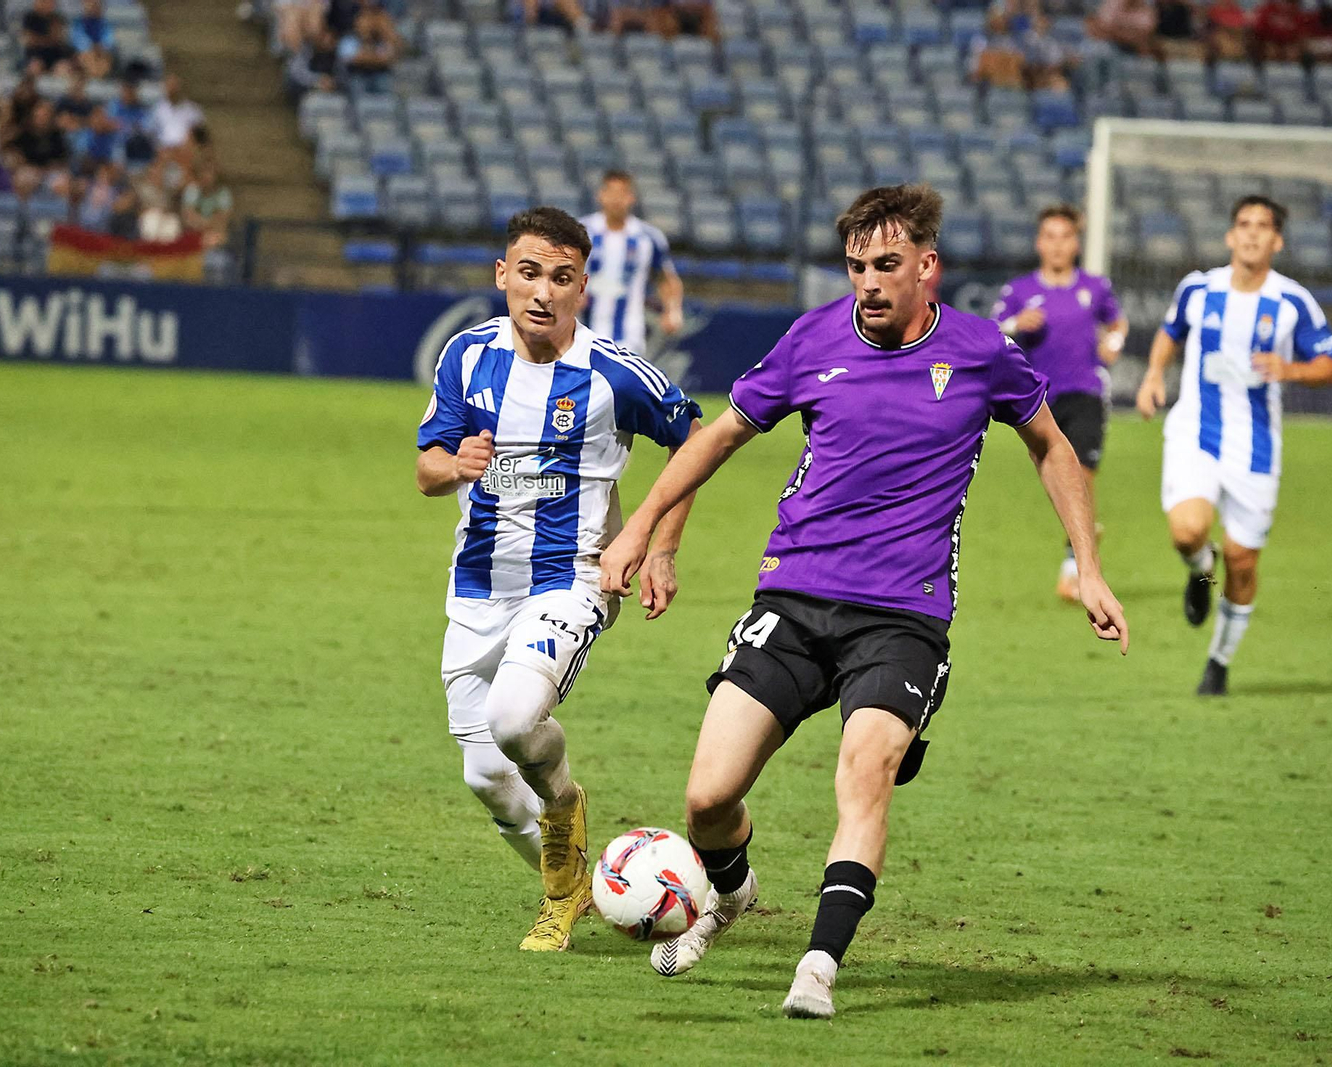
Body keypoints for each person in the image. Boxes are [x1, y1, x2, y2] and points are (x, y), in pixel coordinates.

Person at [599, 184, 1128, 1019]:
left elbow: (1051, 445)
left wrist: (1088, 565)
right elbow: (719, 436)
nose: (869, 283)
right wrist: (643, 535)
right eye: (856, 267)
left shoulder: (980, 350)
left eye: (886, 265)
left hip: (904, 616)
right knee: (707, 797)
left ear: (928, 267)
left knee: (866, 770)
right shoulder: (812, 339)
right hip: (795, 597)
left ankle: (818, 965)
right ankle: (732, 896)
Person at [415, 207, 703, 952]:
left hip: (571, 577)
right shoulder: (467, 355)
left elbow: (694, 438)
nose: (543, 292)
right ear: (503, 275)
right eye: (530, 272)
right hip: (478, 585)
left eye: (562, 277)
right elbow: (426, 469)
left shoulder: (613, 372)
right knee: (484, 775)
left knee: (515, 719)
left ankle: (565, 808)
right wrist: (457, 467)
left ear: (582, 286)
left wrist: (659, 544)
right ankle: (572, 880)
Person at [1135, 196, 1332, 696]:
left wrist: (1290, 368)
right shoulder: (1199, 288)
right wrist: (1154, 374)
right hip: (1196, 433)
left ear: (1277, 241)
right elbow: (1169, 332)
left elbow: (1330, 365)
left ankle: (1219, 662)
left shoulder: (1293, 302)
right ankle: (1201, 570)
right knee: (1187, 533)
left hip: (1256, 448)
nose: (1251, 234)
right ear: (1230, 236)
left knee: (1243, 560)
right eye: (1243, 225)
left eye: (1263, 227)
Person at [992, 204, 1129, 601]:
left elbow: (1117, 322)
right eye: (1049, 236)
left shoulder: (1095, 287)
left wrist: (1114, 342)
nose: (1057, 245)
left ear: (1076, 243)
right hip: (1038, 398)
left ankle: (1073, 566)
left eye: (1064, 236)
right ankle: (1081, 536)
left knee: (1083, 473)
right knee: (1056, 478)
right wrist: (1018, 325)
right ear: (1039, 243)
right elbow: (992, 330)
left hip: (1085, 391)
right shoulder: (1019, 291)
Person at [578, 170, 685, 359]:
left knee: (621, 385)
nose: (616, 199)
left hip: (629, 331)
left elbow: (666, 279)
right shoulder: (582, 231)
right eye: (611, 192)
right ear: (600, 195)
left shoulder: (648, 237)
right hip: (582, 327)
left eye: (622, 194)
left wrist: (672, 310)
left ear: (631, 198)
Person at [181, 165, 233, 248]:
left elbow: (223, 217)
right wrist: (203, 225)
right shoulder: (192, 189)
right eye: (204, 175)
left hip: (215, 230)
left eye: (210, 175)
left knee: (216, 238)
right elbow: (188, 215)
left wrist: (209, 226)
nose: (207, 179)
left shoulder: (223, 193)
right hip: (195, 230)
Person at [20, 0, 76, 74]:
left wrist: (40, 39)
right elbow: (28, 40)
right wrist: (48, 39)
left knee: (64, 68)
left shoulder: (57, 18)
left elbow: (59, 38)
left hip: (57, 56)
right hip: (36, 56)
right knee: (35, 67)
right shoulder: (29, 18)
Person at [1088, 0, 1158, 55]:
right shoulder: (1113, 3)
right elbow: (1100, 26)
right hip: (1109, 45)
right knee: (1099, 50)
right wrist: (1127, 32)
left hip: (1135, 53)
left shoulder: (1147, 10)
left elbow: (1141, 38)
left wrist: (1114, 31)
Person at [70, 0, 118, 80]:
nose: (93, 8)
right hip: (84, 53)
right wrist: (90, 47)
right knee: (88, 57)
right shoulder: (78, 23)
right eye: (90, 6)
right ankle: (93, 79)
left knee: (104, 59)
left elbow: (109, 40)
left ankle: (97, 80)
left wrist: (101, 47)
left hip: (101, 52)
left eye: (96, 5)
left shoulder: (105, 24)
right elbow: (76, 40)